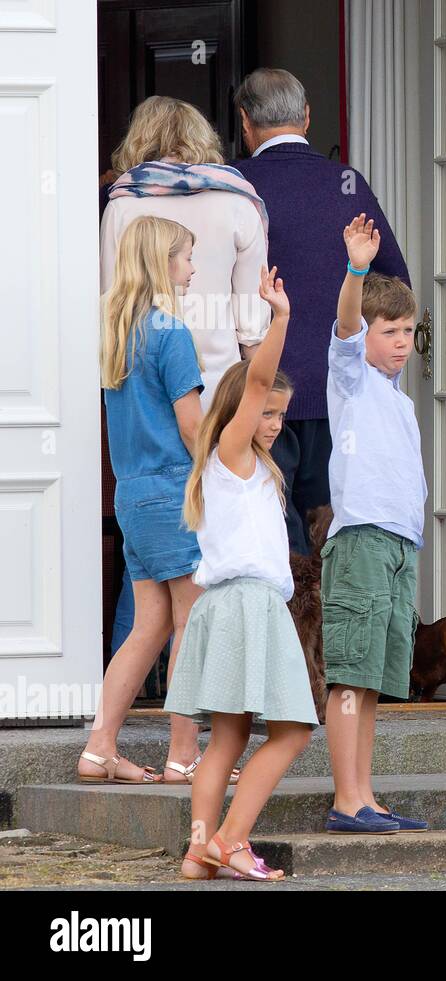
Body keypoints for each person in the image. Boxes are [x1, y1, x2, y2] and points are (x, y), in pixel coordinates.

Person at [101, 95, 272, 700]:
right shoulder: (238, 199)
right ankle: (195, 731)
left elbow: (112, 304)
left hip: (134, 390)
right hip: (212, 399)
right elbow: (252, 326)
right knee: (204, 573)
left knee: (147, 574)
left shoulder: (124, 202)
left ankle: (129, 711)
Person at [165, 267, 317, 881]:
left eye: (281, 413)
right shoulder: (230, 453)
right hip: (248, 605)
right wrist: (279, 318)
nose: (275, 422)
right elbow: (255, 377)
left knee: (227, 739)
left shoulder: (250, 468)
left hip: (227, 606)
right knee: (295, 730)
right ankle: (232, 838)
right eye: (267, 411)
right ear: (239, 410)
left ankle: (198, 852)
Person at [233, 68, 410, 556]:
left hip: (262, 386)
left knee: (268, 532)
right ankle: (333, 633)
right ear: (307, 117)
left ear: (245, 122)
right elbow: (395, 281)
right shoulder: (345, 183)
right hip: (338, 391)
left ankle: (283, 634)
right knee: (333, 534)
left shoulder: (234, 183)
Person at [78, 216, 208, 787]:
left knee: (149, 625)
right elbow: (190, 425)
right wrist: (228, 471)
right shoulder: (171, 335)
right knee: (191, 622)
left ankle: (100, 747)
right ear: (162, 263)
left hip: (132, 495)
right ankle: (184, 754)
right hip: (175, 491)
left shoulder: (117, 335)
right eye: (184, 257)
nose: (191, 268)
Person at [321, 215, 428, 835]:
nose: (400, 342)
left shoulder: (401, 401)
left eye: (409, 332)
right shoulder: (351, 377)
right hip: (360, 539)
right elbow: (343, 325)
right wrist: (357, 270)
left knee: (375, 680)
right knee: (351, 675)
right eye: (388, 331)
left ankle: (364, 795)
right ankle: (345, 798)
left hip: (396, 544)